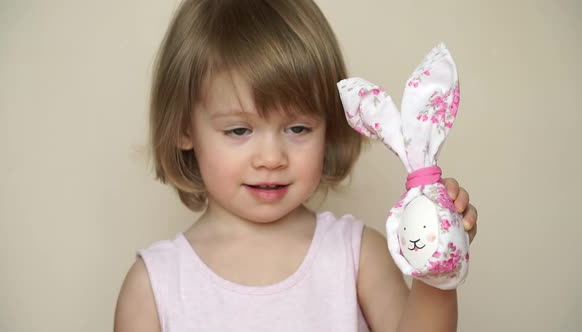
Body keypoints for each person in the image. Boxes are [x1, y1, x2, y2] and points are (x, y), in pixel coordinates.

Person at [114, 0, 478, 331]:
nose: (272, 158)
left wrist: (437, 269)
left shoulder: (358, 256)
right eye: (239, 130)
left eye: (298, 128)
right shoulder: (153, 286)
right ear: (183, 128)